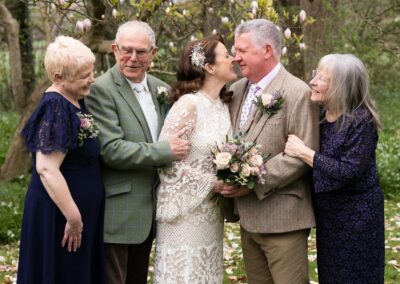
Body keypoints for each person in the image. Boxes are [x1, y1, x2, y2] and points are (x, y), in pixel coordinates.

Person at [85, 21, 190, 284]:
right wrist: (165, 151)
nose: (133, 58)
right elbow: (111, 150)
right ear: (114, 49)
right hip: (119, 212)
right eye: (126, 50)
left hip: (155, 210)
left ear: (153, 53)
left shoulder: (160, 88)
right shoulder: (101, 90)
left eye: (141, 52)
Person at [224, 19, 320, 283]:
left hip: (283, 217)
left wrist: (251, 181)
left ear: (267, 50)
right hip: (247, 217)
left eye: (242, 50)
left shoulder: (297, 91)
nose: (236, 57)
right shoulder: (235, 90)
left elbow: (301, 154)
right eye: (235, 50)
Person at [284, 54, 385, 283]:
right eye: (315, 75)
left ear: (341, 85)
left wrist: (304, 152)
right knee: (331, 275)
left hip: (358, 216)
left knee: (357, 276)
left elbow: (348, 171)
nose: (313, 82)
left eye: (322, 78)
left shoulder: (361, 120)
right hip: (329, 215)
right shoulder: (319, 114)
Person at [17, 36, 104, 283]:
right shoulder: (55, 107)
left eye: (91, 71)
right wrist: (74, 217)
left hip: (76, 213)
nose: (92, 79)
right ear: (58, 78)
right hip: (60, 216)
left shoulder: (73, 99)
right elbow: (46, 168)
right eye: (84, 75)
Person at [153, 35, 237, 283]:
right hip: (183, 215)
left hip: (212, 213)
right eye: (226, 55)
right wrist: (212, 183)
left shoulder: (222, 106)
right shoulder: (188, 105)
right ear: (210, 67)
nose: (232, 59)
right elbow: (166, 161)